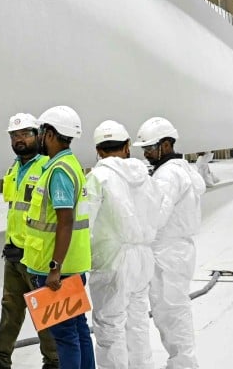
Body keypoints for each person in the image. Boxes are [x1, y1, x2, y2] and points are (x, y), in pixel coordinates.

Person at [0, 114, 59, 369]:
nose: (19, 139)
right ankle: (0, 360)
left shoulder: (46, 167)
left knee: (44, 312)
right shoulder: (14, 168)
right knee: (10, 308)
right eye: (14, 135)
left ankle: (54, 362)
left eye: (25, 134)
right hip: (13, 252)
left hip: (37, 255)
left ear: (39, 135)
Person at [85, 120, 164, 369]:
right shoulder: (144, 176)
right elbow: (157, 213)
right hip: (142, 257)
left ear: (98, 150)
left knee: (110, 328)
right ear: (127, 146)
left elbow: (85, 223)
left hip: (112, 260)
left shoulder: (97, 177)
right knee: (138, 321)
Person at [21, 106, 94, 369]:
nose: (38, 137)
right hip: (71, 264)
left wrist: (54, 267)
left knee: (65, 336)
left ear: (50, 133)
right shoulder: (68, 164)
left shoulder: (60, 171)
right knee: (78, 330)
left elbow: (65, 221)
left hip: (57, 269)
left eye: (40, 131)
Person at [132, 117, 205, 369]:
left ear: (165, 144)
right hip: (179, 249)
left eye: (150, 148)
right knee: (173, 308)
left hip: (167, 251)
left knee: (170, 311)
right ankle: (182, 362)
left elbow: (157, 216)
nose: (147, 153)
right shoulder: (183, 168)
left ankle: (183, 364)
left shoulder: (166, 175)